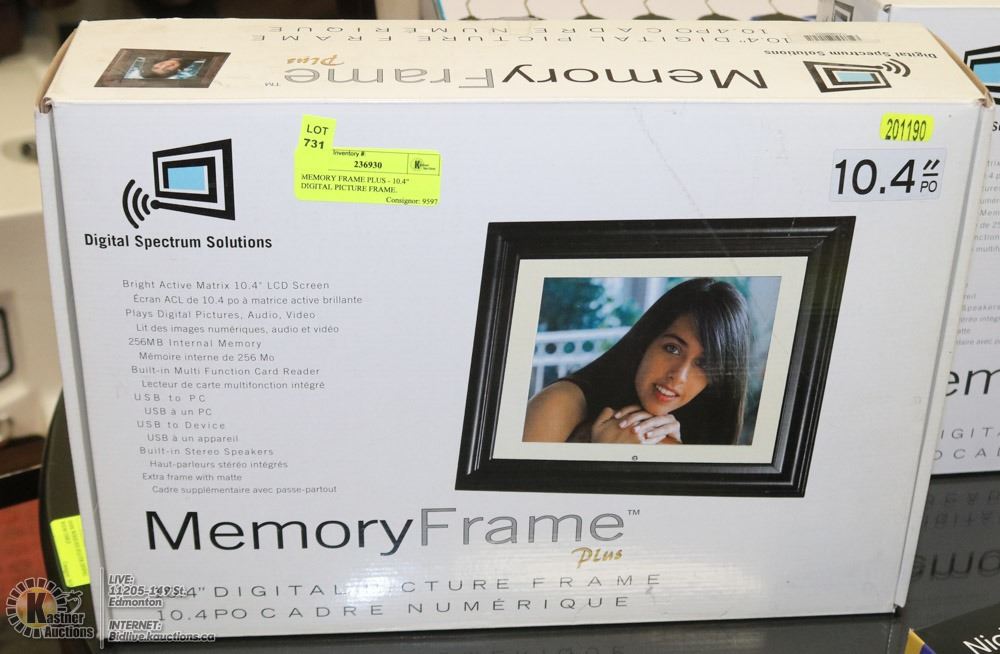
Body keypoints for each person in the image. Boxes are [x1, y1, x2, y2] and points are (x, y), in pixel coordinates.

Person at [522, 277, 751, 446]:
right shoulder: (560, 403)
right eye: (672, 349)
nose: (679, 376)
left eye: (703, 364)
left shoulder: (692, 434)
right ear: (646, 341)